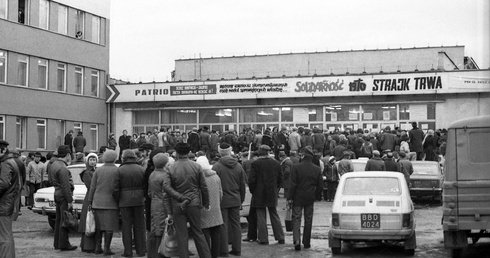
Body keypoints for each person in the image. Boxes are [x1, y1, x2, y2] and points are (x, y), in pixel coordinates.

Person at [165, 142, 211, 258]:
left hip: (178, 204)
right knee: (198, 232)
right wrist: (206, 202)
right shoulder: (196, 166)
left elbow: (166, 188)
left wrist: (179, 197)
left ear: (176, 153)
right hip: (194, 203)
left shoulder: (171, 168)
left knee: (181, 234)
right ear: (188, 152)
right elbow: (203, 187)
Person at [147, 153, 185, 258]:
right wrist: (169, 211)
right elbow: (166, 194)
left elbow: (150, 192)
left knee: (155, 229)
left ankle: (152, 254)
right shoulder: (165, 176)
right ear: (165, 163)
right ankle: (161, 253)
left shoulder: (152, 174)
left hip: (154, 204)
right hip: (163, 205)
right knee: (163, 230)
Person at [212, 143, 246, 256]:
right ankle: (237, 249)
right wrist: (241, 199)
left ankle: (224, 250)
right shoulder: (238, 166)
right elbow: (242, 185)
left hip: (222, 200)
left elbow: (214, 184)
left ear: (220, 152)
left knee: (223, 225)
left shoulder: (217, 166)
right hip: (235, 198)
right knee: (236, 224)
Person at [287, 147, 323, 251]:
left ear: (303, 156)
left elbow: (293, 184)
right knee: (308, 219)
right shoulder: (316, 169)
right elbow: (320, 185)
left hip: (298, 196)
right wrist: (316, 196)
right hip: (310, 197)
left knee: (296, 218)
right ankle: (306, 242)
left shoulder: (296, 167)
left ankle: (296, 240)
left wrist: (289, 197)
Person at [249, 145, 285, 245]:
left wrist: (253, 191)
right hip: (272, 192)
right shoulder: (276, 163)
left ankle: (263, 238)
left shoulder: (255, 164)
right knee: (274, 214)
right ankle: (280, 237)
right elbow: (280, 179)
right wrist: (275, 188)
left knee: (261, 215)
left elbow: (251, 180)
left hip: (259, 192)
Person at [113, 149, 147, 257]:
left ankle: (128, 251)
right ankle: (141, 250)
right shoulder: (141, 169)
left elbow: (114, 189)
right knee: (139, 226)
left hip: (125, 201)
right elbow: (146, 186)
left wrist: (119, 199)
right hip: (139, 201)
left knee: (126, 227)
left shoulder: (119, 170)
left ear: (124, 157)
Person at [87, 150, 119, 255]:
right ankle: (107, 248)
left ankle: (97, 247)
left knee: (99, 226)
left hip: (97, 201)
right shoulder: (117, 170)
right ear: (115, 158)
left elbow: (92, 187)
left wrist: (90, 201)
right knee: (109, 226)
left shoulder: (98, 170)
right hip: (112, 202)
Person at [49, 145, 77, 251]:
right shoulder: (63, 168)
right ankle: (64, 244)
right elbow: (66, 186)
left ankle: (57, 243)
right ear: (68, 155)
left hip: (57, 193)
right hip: (63, 195)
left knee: (59, 220)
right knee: (65, 220)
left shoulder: (53, 165)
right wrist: (69, 200)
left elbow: (51, 181)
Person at [197, 157, 224, 258]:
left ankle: (206, 254)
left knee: (204, 235)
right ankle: (215, 255)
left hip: (203, 210)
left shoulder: (198, 178)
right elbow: (221, 193)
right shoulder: (216, 177)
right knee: (216, 235)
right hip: (216, 209)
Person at [0, 140, 22, 257]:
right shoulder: (9, 162)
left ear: (3, 150)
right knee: (6, 235)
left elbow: (3, 184)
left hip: (3, 205)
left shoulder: (6, 163)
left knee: (4, 236)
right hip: (6, 204)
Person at [78, 153, 98, 253]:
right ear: (87, 161)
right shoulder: (86, 172)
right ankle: (88, 246)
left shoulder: (95, 171)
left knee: (92, 221)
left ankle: (90, 245)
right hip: (90, 197)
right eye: (91, 159)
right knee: (89, 221)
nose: (93, 161)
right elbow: (91, 186)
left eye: (94, 159)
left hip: (94, 197)